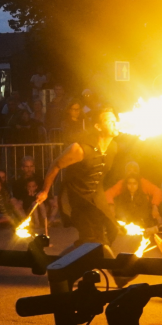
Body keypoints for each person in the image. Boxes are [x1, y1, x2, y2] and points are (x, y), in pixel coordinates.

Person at [35, 107, 120, 255]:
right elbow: (55, 165)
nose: (114, 123)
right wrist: (45, 191)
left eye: (114, 120)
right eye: (109, 120)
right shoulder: (80, 149)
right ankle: (117, 274)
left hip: (96, 197)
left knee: (111, 230)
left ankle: (67, 262)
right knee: (92, 238)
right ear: (98, 127)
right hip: (76, 197)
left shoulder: (113, 147)